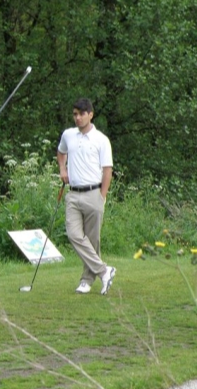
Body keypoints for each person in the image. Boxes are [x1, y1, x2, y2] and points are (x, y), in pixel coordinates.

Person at [57, 98, 116, 295]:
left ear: (90, 115)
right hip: (73, 194)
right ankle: (104, 270)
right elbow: (60, 153)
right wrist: (62, 169)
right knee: (74, 234)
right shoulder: (68, 135)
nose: (78, 118)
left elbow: (107, 170)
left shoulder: (101, 139)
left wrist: (102, 196)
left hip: (93, 193)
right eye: (75, 114)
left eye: (82, 114)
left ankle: (86, 281)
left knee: (92, 240)